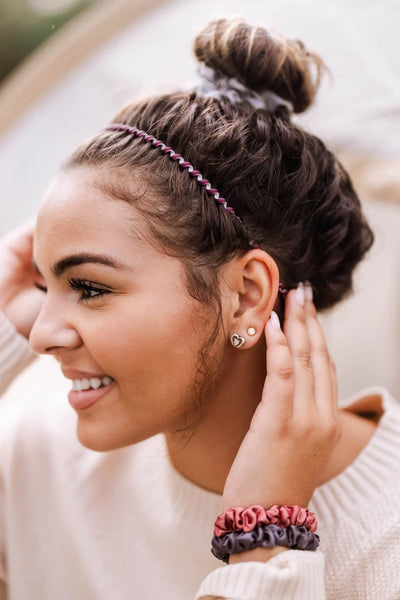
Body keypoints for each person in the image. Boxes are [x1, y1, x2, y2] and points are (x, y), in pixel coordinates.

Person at [0, 17, 399, 600]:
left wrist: (263, 544)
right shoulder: (40, 438)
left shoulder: (385, 548)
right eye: (46, 281)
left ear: (247, 296)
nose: (40, 338)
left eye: (89, 287)